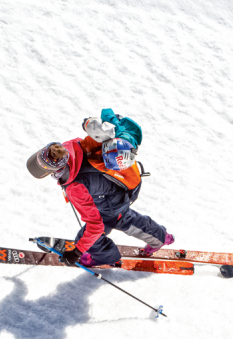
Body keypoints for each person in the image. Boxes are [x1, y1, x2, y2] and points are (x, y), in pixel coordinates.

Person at [26, 108, 173, 267]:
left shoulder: (75, 187)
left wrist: (77, 252)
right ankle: (160, 237)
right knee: (125, 217)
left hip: (112, 201)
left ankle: (106, 257)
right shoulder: (69, 147)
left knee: (99, 230)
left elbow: (95, 227)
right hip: (123, 182)